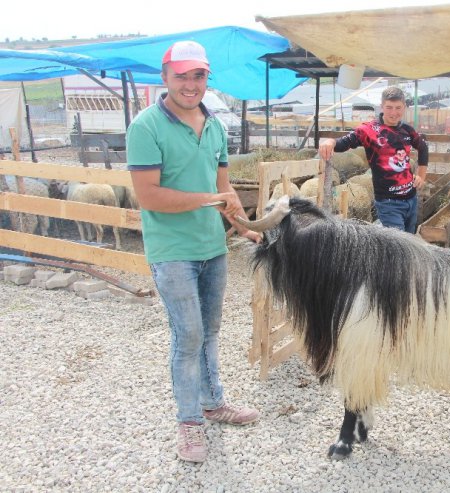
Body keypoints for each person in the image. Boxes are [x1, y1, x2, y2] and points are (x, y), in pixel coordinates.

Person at [126, 41, 262, 463]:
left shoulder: (216, 126)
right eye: (181, 75)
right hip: (172, 250)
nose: (190, 84)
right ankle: (189, 423)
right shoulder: (146, 126)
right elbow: (149, 197)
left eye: (198, 75)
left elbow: (225, 191)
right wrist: (212, 200)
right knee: (187, 336)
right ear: (164, 77)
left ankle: (213, 401)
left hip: (211, 247)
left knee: (211, 331)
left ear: (206, 79)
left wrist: (245, 226)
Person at [318, 87, 428, 233]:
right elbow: (345, 142)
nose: (394, 113)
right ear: (381, 106)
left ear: (404, 107)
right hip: (389, 203)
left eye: (398, 108)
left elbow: (423, 147)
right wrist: (331, 142)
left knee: (410, 242)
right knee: (398, 248)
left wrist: (421, 176)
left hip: (411, 199)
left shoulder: (407, 130)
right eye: (389, 107)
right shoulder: (368, 130)